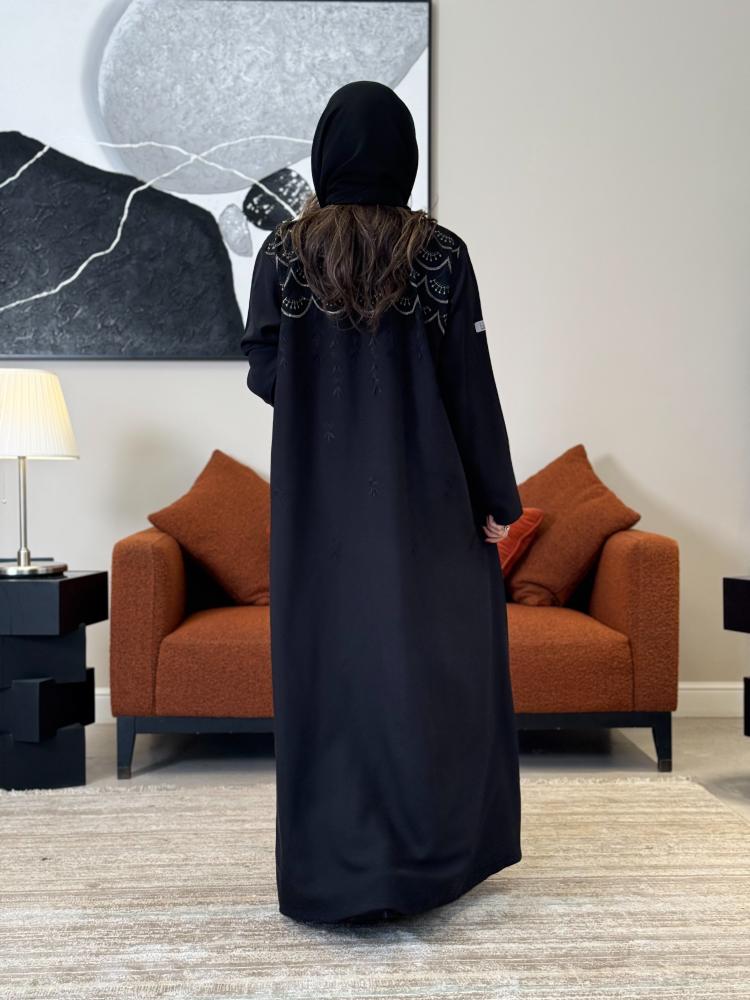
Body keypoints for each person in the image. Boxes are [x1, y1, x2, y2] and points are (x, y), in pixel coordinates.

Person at [240, 80, 524, 925]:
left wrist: (330, 397)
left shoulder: (283, 253)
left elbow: (264, 368)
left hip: (318, 510)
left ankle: (334, 869)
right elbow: (468, 384)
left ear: (327, 150)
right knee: (430, 672)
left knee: (331, 674)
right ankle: (427, 861)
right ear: (404, 152)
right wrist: (495, 497)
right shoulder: (441, 254)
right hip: (427, 506)